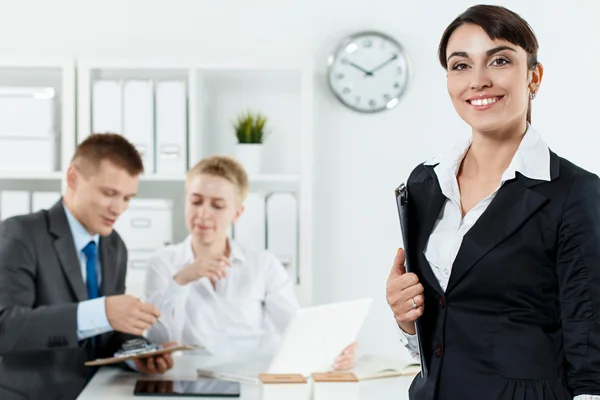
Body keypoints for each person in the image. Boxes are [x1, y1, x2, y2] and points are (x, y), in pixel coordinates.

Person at [386, 5, 600, 400]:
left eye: (499, 60)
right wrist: (405, 317)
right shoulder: (425, 184)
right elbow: (437, 339)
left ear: (534, 77)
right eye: (460, 66)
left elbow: (591, 349)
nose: (478, 81)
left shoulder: (575, 192)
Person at [0, 133, 174, 400]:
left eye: (127, 198)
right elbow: (6, 328)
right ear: (73, 178)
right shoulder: (21, 233)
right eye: (109, 193)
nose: (119, 208)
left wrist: (137, 352)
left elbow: (107, 337)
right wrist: (99, 313)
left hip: (97, 393)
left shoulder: (115, 247)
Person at [145, 155, 357, 370]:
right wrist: (182, 279)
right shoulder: (162, 262)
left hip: (251, 379)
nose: (203, 213)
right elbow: (159, 341)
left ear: (237, 213)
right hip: (190, 380)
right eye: (196, 201)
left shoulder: (263, 265)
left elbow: (295, 330)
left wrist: (333, 353)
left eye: (217, 205)